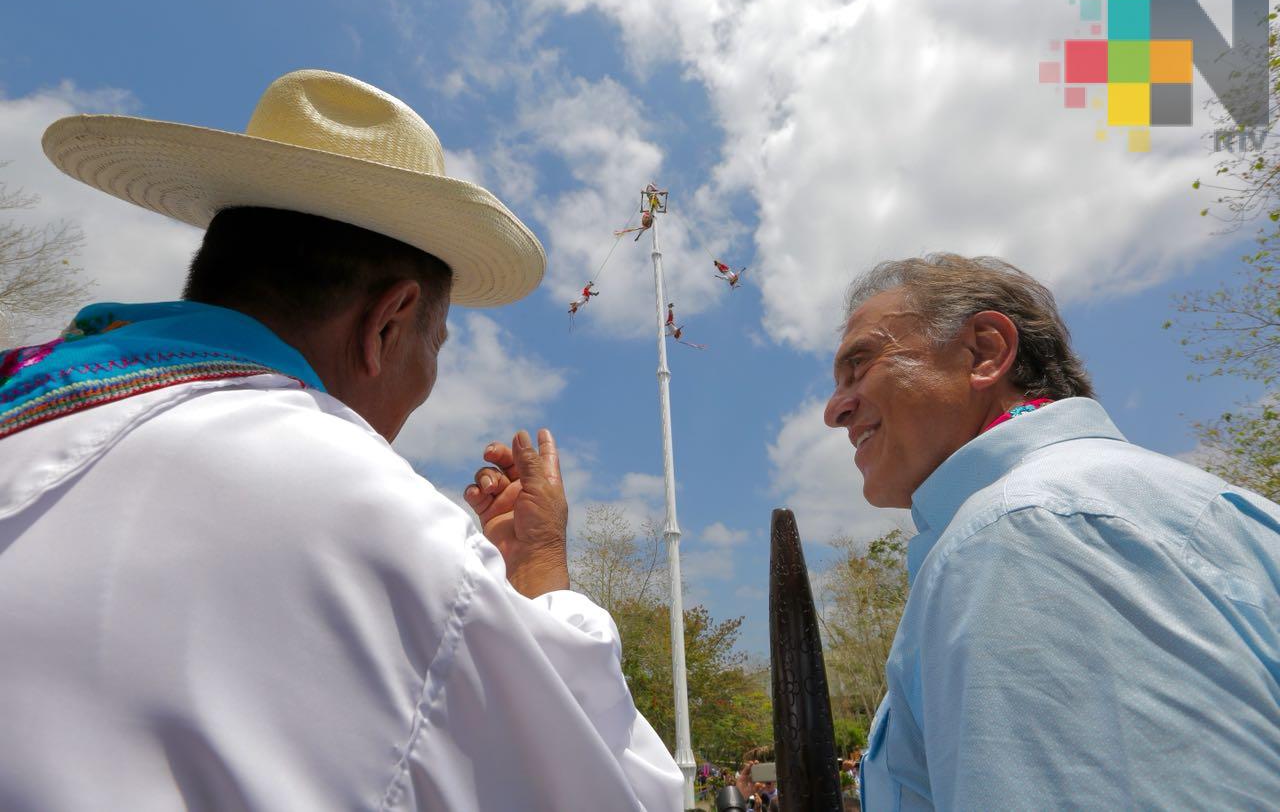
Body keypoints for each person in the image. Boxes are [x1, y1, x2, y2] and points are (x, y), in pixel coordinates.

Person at [0, 70, 682, 810]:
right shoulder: (392, 535)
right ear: (388, 323)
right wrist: (541, 570)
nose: (428, 382)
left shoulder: (34, 400)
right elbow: (619, 792)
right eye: (439, 344)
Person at [824, 253, 1280, 809]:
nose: (835, 410)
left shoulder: (1020, 533)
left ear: (985, 352)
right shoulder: (1164, 503)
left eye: (862, 364)